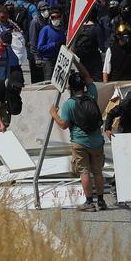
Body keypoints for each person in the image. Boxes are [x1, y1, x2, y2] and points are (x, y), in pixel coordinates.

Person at [51, 67, 107, 211]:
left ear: (70, 87)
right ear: (83, 85)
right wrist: (77, 63)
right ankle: (101, 201)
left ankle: (89, 202)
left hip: (79, 142)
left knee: (84, 172)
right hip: (96, 142)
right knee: (98, 172)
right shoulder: (92, 95)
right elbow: (88, 76)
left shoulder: (69, 104)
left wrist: (53, 113)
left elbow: (63, 125)